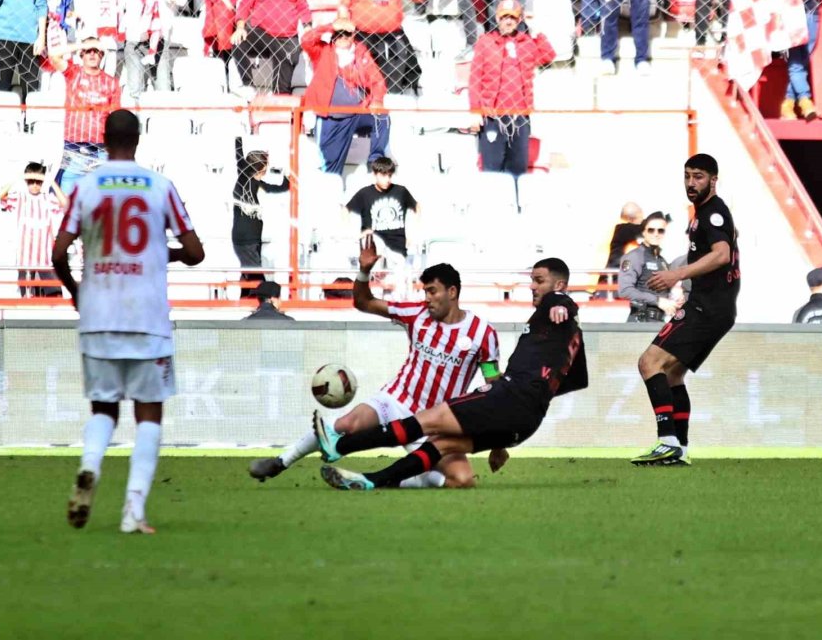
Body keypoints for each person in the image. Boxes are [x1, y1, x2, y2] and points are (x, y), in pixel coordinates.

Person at [52, 108, 205, 534]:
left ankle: (89, 467)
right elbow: (196, 253)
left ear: (104, 139)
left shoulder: (84, 186)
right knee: (149, 414)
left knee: (103, 407)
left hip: (98, 311)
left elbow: (58, 251)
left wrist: (75, 290)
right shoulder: (160, 186)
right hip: (147, 317)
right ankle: (133, 510)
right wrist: (161, 253)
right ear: (138, 140)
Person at [313, 257, 588, 490]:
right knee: (442, 445)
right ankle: (373, 480)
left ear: (560, 286)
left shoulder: (555, 306)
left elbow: (561, 303)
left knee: (423, 423)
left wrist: (561, 303)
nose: (532, 286)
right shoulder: (571, 336)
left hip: (508, 395)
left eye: (538, 280)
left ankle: (342, 445)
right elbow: (575, 380)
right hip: (528, 420)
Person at [249, 239, 501, 488]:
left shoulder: (482, 334)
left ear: (452, 292)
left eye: (432, 291)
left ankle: (392, 481)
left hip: (436, 421)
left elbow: (494, 388)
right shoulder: (416, 315)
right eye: (425, 292)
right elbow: (364, 303)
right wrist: (364, 272)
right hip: (395, 401)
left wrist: (498, 442)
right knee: (346, 425)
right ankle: (280, 461)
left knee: (462, 479)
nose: (427, 298)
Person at [630, 153, 739, 467]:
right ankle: (680, 447)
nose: (691, 183)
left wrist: (676, 274)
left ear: (714, 180)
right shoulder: (705, 212)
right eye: (688, 176)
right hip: (715, 308)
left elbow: (721, 255)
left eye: (699, 177)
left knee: (649, 362)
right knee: (673, 374)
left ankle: (667, 443)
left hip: (707, 307)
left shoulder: (713, 213)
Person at [468, 0, 555, 176]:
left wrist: (536, 30)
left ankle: (516, 202)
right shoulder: (485, 42)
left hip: (519, 117)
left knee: (517, 170)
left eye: (513, 17)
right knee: (492, 170)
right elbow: (475, 78)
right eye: (504, 17)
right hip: (493, 115)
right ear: (498, 18)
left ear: (519, 19)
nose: (508, 21)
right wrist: (475, 111)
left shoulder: (527, 43)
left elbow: (548, 56)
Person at [301, 18, 389, 176]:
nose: (343, 37)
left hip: (357, 113)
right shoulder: (322, 51)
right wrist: (330, 25)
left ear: (353, 35)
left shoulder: (360, 53)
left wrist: (376, 100)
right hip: (330, 117)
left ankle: (375, 161)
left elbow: (377, 81)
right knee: (331, 169)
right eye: (339, 33)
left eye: (347, 34)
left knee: (381, 117)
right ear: (333, 35)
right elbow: (306, 40)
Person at [231, 0, 309, 95]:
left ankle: (279, 101)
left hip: (287, 37)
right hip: (262, 33)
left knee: (286, 66)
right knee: (238, 41)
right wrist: (240, 27)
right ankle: (248, 87)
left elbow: (303, 7)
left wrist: (307, 28)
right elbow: (244, 5)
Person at [49, 37, 122, 194]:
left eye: (96, 51)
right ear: (81, 54)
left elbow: (116, 115)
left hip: (101, 146)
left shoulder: (111, 82)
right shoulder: (73, 73)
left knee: (99, 193)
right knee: (67, 192)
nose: (92, 54)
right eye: (88, 51)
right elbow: (53, 55)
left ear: (102, 55)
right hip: (74, 143)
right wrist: (82, 44)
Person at [119, 0, 188, 96]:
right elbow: (122, 0)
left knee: (162, 87)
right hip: (134, 37)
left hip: (158, 39)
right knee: (134, 88)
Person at [0, 162, 67, 297]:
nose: (35, 185)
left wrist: (50, 181)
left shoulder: (48, 199)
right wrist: (20, 177)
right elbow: (0, 195)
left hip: (45, 258)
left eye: (38, 182)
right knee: (26, 297)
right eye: (31, 181)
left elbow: (65, 203)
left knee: (56, 296)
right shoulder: (20, 198)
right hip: (25, 258)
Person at [232, 136, 290, 292]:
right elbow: (278, 188)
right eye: (265, 168)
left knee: (249, 274)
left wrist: (238, 139)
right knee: (256, 278)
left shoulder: (246, 177)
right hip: (247, 239)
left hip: (248, 237)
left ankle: (246, 300)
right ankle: (259, 304)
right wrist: (286, 177)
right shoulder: (251, 181)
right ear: (259, 169)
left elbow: (239, 155)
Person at [345, 155, 419, 262]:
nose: (387, 179)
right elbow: (345, 211)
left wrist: (412, 234)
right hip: (373, 246)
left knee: (398, 273)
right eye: (383, 175)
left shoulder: (401, 191)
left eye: (389, 175)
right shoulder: (365, 193)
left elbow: (417, 208)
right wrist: (355, 234)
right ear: (375, 174)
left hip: (397, 246)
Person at [618, 211, 679, 323]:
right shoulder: (634, 256)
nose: (656, 234)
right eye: (651, 230)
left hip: (659, 320)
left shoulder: (662, 261)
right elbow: (625, 290)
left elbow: (663, 292)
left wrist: (675, 300)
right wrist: (657, 301)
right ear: (644, 232)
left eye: (660, 230)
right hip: (641, 320)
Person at [592, 200, 643, 300]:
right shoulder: (622, 229)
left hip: (610, 282)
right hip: (611, 283)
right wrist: (665, 220)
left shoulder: (618, 230)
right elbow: (645, 228)